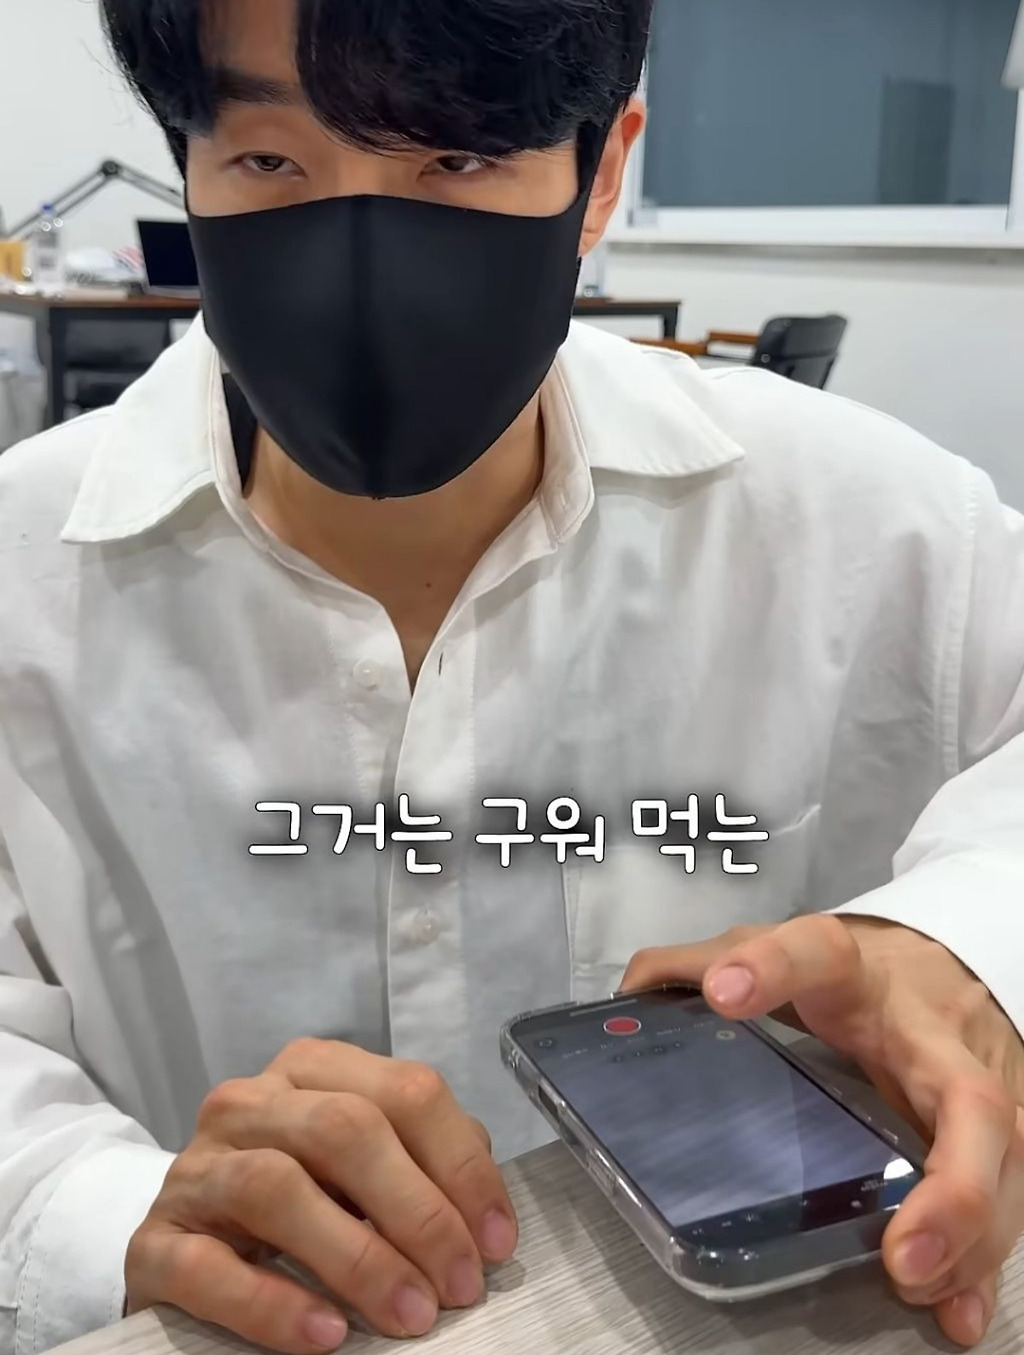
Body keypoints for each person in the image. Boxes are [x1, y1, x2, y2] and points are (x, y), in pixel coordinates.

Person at [1, 0, 1022, 1350]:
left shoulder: (875, 524)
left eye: (458, 157)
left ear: (602, 172)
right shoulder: (20, 578)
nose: (363, 263)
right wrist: (101, 1208)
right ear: (187, 159)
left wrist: (968, 947)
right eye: (270, 159)